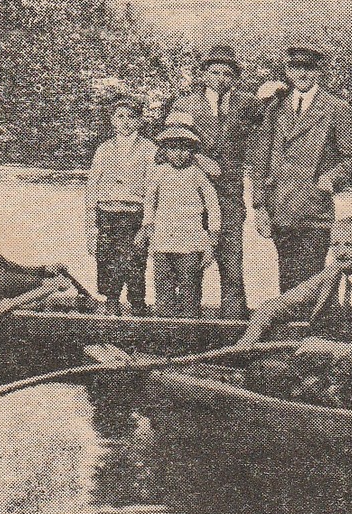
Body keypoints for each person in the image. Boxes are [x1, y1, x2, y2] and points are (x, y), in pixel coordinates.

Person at [238, 217, 352, 408]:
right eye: (335, 245)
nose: (341, 252)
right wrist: (248, 340)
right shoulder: (329, 276)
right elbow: (275, 306)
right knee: (262, 373)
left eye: (350, 245)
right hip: (319, 363)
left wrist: (332, 348)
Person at [249, 43, 352, 291]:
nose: (302, 74)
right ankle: (293, 331)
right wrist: (259, 206)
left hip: (314, 213)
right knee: (287, 283)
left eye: (309, 68)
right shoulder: (275, 106)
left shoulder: (335, 108)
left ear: (319, 71)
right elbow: (260, 159)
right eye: (296, 67)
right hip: (279, 210)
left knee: (311, 283)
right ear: (287, 71)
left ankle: (309, 330)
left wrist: (331, 178)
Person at [172, 44, 265, 317]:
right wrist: (199, 159)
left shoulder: (247, 103)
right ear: (203, 74)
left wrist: (273, 91)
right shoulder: (184, 103)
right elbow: (166, 146)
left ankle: (234, 327)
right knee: (189, 264)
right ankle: (187, 327)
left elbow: (273, 124)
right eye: (215, 72)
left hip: (230, 196)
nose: (220, 78)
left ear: (235, 77)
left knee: (232, 265)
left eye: (227, 73)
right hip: (190, 197)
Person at [138, 124, 222, 318]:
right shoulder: (159, 173)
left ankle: (190, 334)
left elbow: (213, 205)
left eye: (184, 149)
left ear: (192, 151)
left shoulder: (197, 174)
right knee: (163, 288)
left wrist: (213, 237)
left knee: (190, 289)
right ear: (165, 150)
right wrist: (148, 226)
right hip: (163, 241)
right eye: (173, 148)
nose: (178, 154)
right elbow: (150, 201)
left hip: (191, 242)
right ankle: (165, 334)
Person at [84, 95, 157, 316]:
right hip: (106, 213)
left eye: (131, 117)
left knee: (135, 261)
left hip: (134, 214)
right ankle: (111, 301)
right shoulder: (104, 149)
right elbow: (92, 185)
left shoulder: (148, 148)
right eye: (120, 116)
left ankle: (137, 303)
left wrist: (147, 224)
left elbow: (152, 187)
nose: (125, 121)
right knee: (107, 259)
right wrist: (90, 224)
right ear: (112, 120)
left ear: (140, 121)